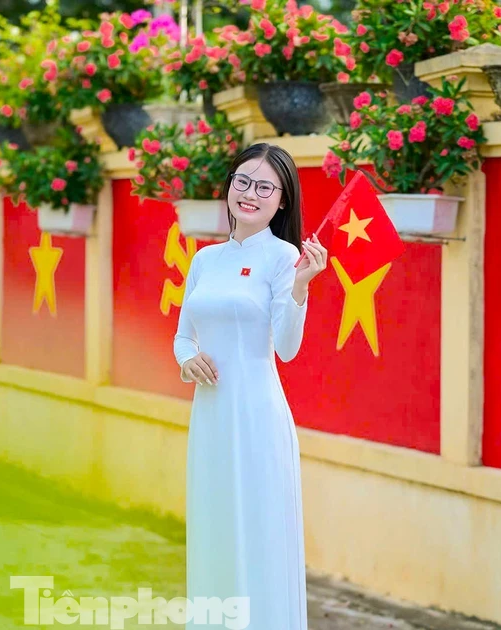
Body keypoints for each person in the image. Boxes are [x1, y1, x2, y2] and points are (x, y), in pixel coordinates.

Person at [174, 143, 328, 629]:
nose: (250, 193)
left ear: (282, 200)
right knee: (214, 525)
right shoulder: (205, 259)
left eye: (264, 187)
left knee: (259, 530)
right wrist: (188, 362)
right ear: (229, 186)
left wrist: (301, 286)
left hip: (257, 416)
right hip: (211, 416)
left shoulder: (285, 258)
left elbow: (287, 348)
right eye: (242, 181)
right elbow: (183, 336)